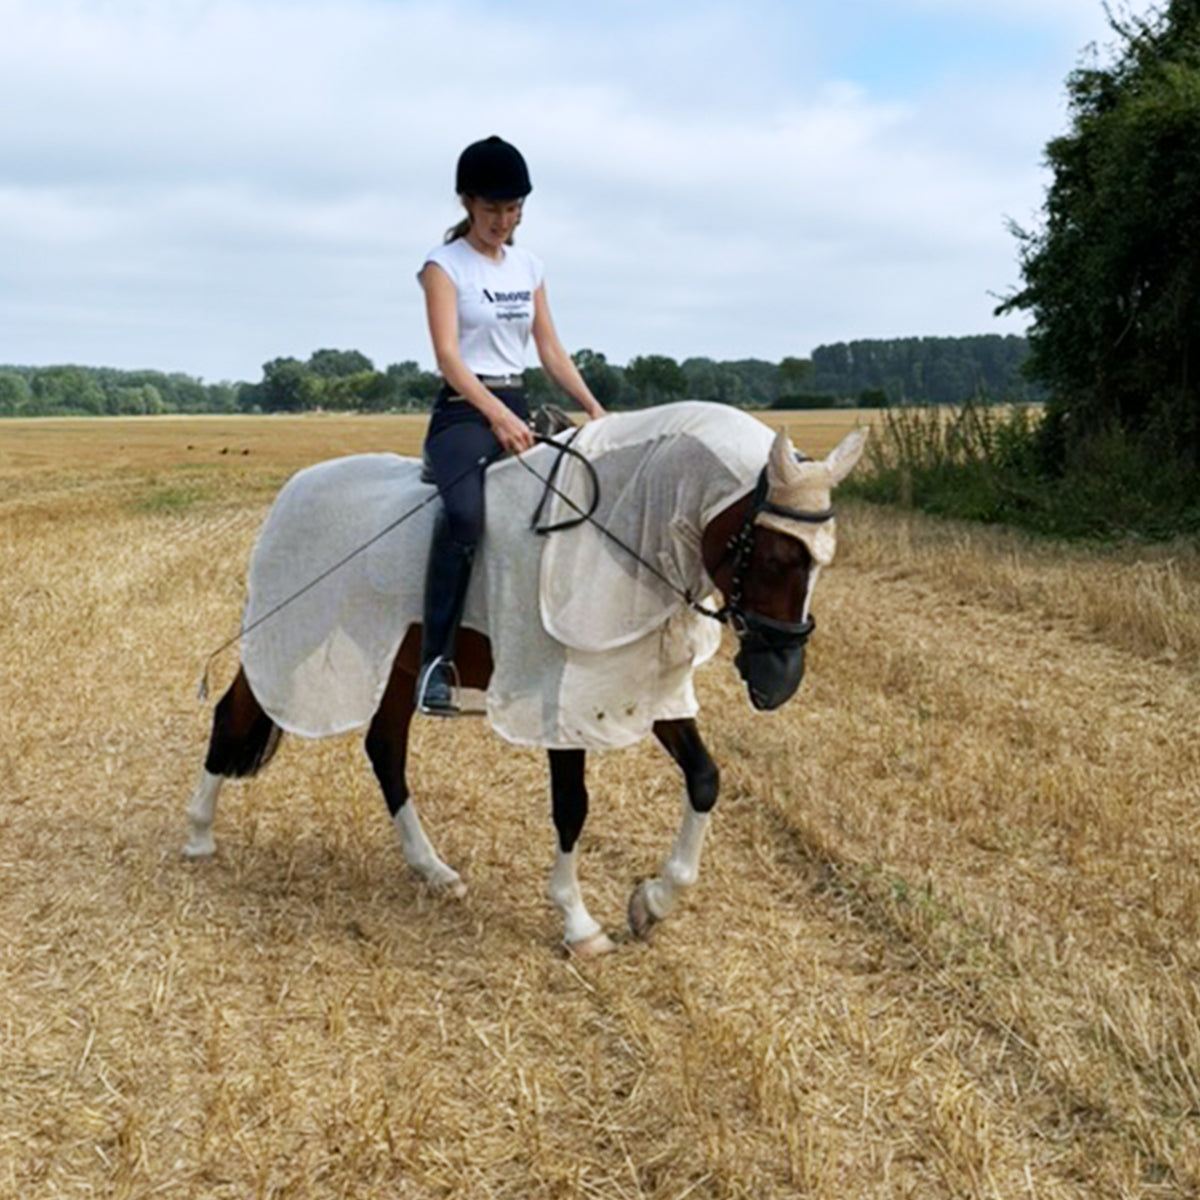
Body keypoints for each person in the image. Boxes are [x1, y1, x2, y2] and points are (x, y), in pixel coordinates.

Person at [415, 135, 606, 715]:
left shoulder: (529, 267)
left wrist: (596, 412)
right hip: (463, 414)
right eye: (493, 208)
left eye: (514, 208)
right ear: (466, 203)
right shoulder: (443, 267)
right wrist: (495, 415)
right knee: (466, 516)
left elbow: (550, 350)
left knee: (585, 496)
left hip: (518, 406)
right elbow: (449, 357)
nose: (504, 220)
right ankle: (434, 665)